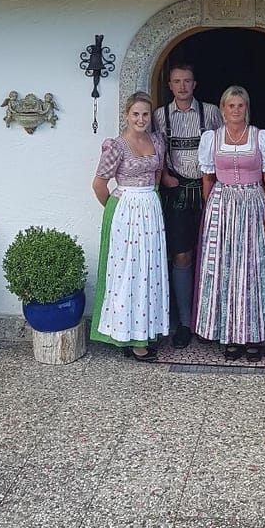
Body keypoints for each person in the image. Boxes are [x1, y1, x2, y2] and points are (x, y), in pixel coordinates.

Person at [194, 85, 265, 360]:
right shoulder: (212, 138)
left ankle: (255, 336)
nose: (236, 110)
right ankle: (230, 336)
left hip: (253, 204)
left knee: (253, 270)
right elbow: (208, 178)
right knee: (224, 270)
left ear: (247, 108)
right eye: (231, 106)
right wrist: (211, 211)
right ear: (222, 109)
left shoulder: (261, 137)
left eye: (240, 105)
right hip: (222, 206)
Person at [90, 91, 169, 361]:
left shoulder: (157, 141)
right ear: (126, 115)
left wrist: (149, 200)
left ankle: (144, 331)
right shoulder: (116, 145)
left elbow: (157, 174)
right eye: (135, 114)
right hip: (126, 211)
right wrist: (116, 210)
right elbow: (99, 185)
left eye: (145, 114)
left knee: (149, 271)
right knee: (127, 273)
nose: (140, 119)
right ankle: (129, 337)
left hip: (150, 208)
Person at [152, 62, 223, 348]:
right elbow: (153, 151)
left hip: (210, 189)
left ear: (195, 84)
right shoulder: (159, 116)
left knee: (214, 255)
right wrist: (164, 176)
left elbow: (225, 146)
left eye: (187, 81)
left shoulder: (212, 112)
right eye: (176, 81)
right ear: (169, 85)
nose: (182, 86)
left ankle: (213, 319)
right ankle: (184, 322)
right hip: (178, 190)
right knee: (182, 256)